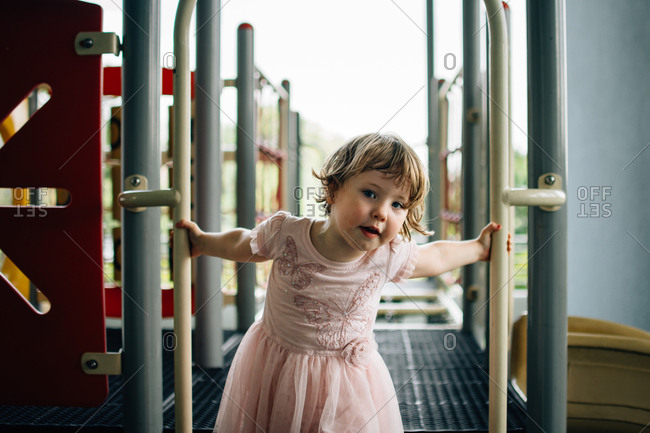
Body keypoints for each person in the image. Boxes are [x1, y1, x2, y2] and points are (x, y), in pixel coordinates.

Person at [177, 133, 504, 433]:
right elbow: (242, 243)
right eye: (370, 193)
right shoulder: (286, 234)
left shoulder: (386, 255)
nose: (381, 212)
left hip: (346, 381)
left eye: (397, 204)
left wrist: (479, 248)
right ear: (333, 190)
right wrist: (202, 242)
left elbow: (437, 257)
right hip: (276, 366)